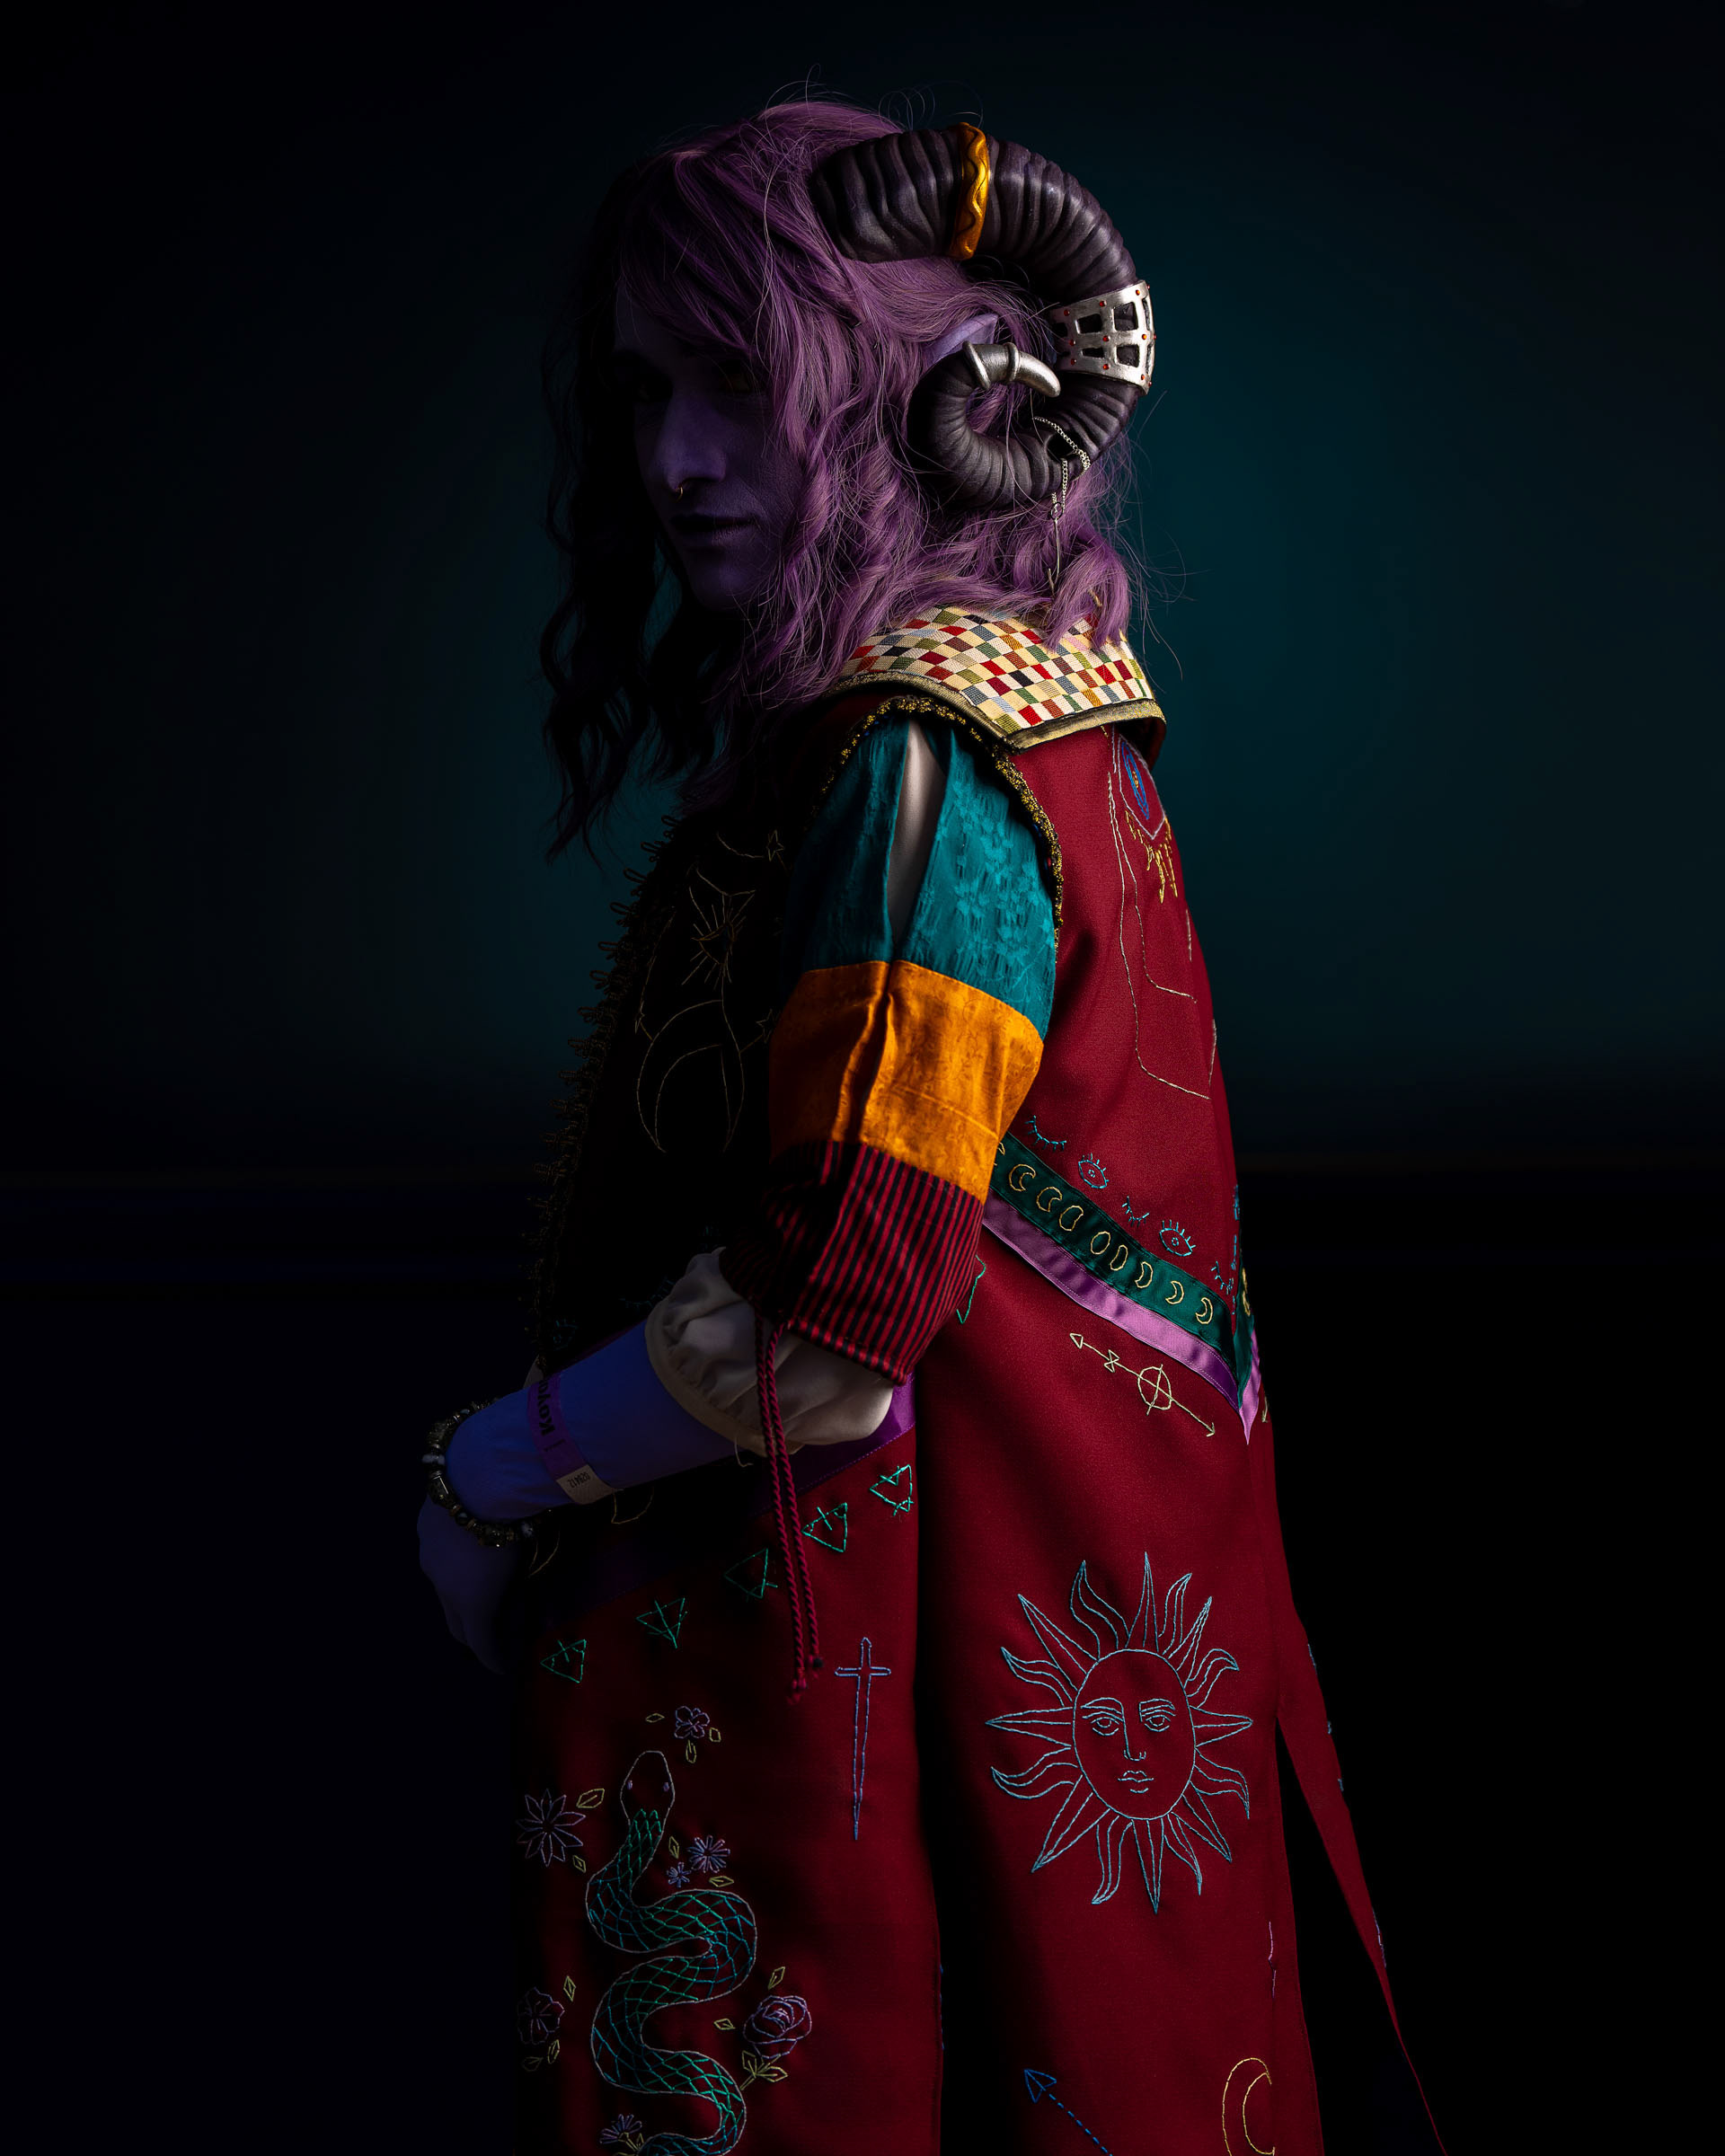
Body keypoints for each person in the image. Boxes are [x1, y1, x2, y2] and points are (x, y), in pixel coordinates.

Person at [418, 102, 1439, 2155]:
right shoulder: (1048, 705)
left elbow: (829, 1332)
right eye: (647, 389)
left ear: (923, 394)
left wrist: (484, 1472)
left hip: (895, 1714)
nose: (679, 458)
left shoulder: (925, 767)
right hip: (1011, 1670)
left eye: (741, 383)